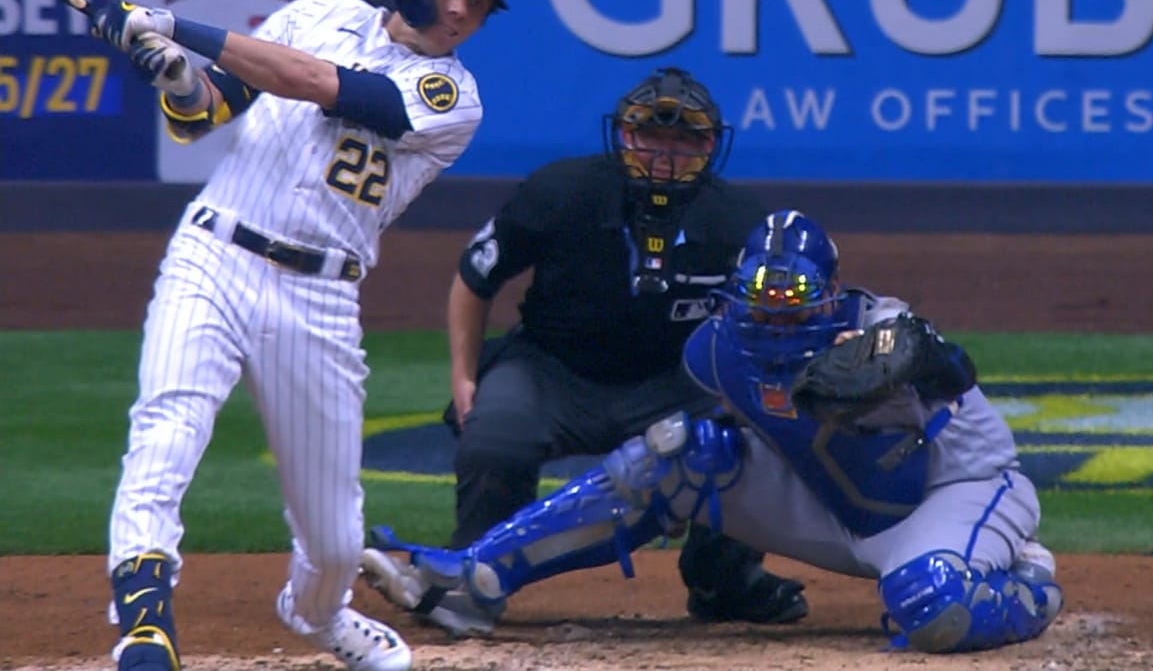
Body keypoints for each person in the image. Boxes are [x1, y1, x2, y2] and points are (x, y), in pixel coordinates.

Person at [94, 0, 515, 671]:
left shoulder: (451, 97)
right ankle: (145, 621)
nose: (459, 11)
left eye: (478, 4)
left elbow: (319, 85)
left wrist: (173, 26)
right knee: (167, 424)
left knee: (333, 539)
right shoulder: (319, 11)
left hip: (319, 300)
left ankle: (319, 614)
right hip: (213, 254)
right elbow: (203, 114)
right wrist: (173, 73)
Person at [369, 209, 1064, 653]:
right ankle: (477, 578)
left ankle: (1029, 581)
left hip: (951, 494)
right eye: (761, 300)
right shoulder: (716, 352)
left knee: (930, 603)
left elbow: (949, 366)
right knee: (672, 454)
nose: (776, 317)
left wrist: (910, 356)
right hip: (829, 503)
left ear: (828, 293)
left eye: (794, 301)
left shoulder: (884, 332)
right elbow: (732, 450)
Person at [358, 68, 810, 637]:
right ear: (623, 137)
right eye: (650, 137)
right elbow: (476, 278)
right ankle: (467, 577)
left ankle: (724, 579)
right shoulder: (559, 191)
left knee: (750, 439)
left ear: (710, 147)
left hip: (673, 381)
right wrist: (463, 373)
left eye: (683, 140)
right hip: (551, 369)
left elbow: (775, 318)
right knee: (495, 438)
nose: (664, 154)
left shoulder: (740, 222)